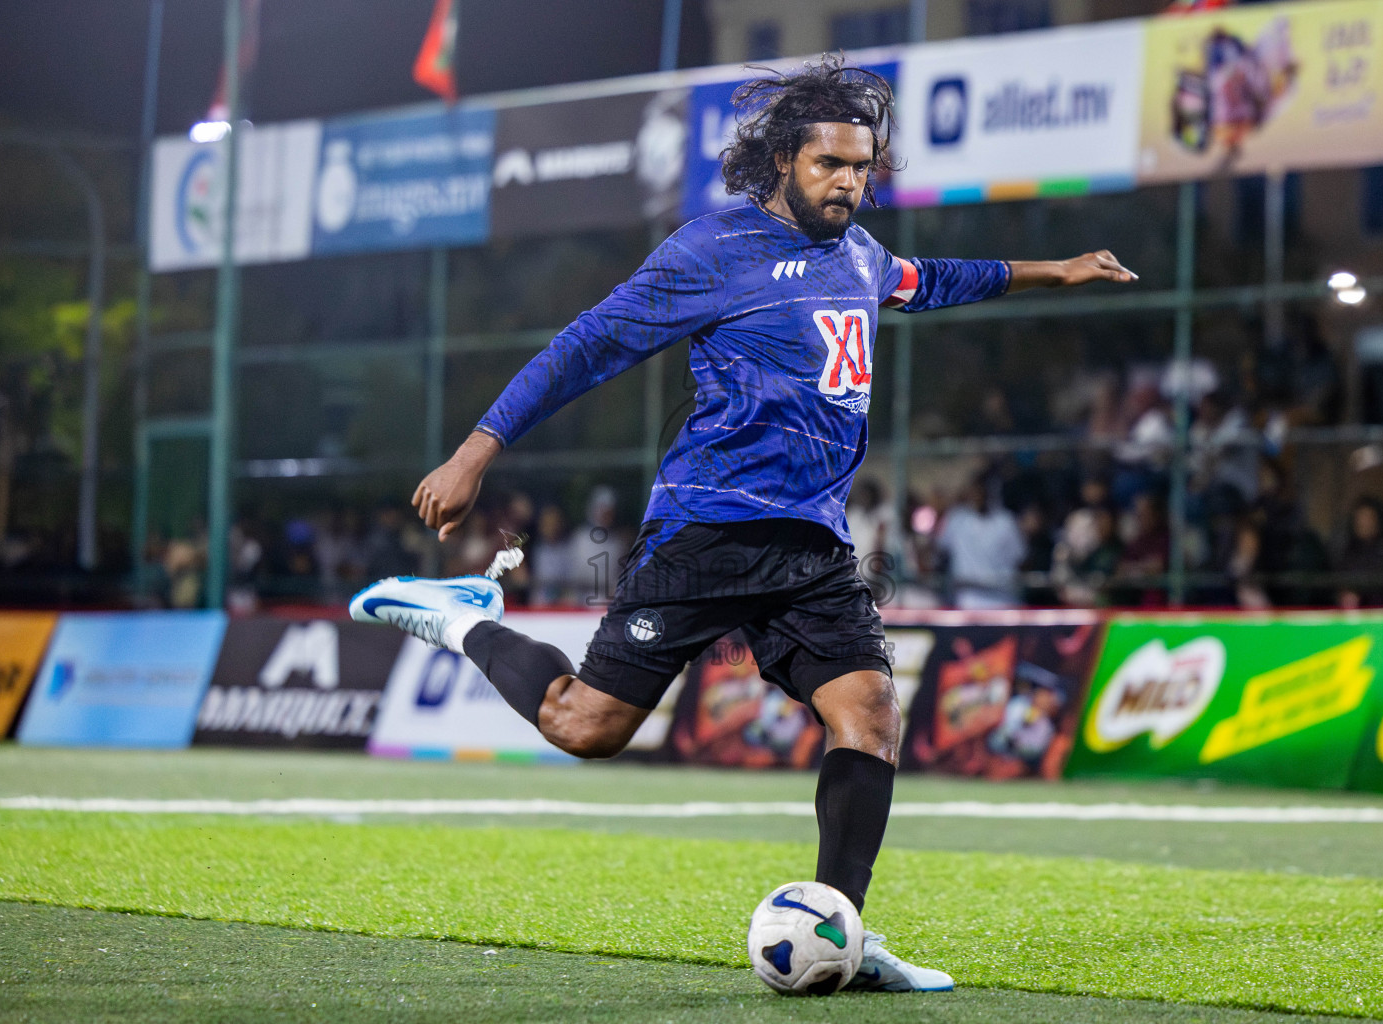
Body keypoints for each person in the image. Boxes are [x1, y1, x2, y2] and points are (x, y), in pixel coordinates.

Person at [351, 55, 1135, 993]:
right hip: (707, 530)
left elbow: (936, 280)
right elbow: (586, 347)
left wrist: (1058, 270)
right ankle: (459, 617)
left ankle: (842, 931)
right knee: (586, 726)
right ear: (781, 164)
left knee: (870, 715)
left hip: (812, 545)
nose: (849, 182)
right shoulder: (709, 252)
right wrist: (478, 448)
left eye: (861, 166)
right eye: (829, 165)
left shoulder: (862, 253)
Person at [937, 476, 1025, 609]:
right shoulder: (957, 520)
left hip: (1002, 600)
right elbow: (940, 550)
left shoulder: (1006, 522)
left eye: (982, 492)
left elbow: (1021, 558)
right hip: (968, 600)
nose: (979, 496)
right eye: (974, 492)